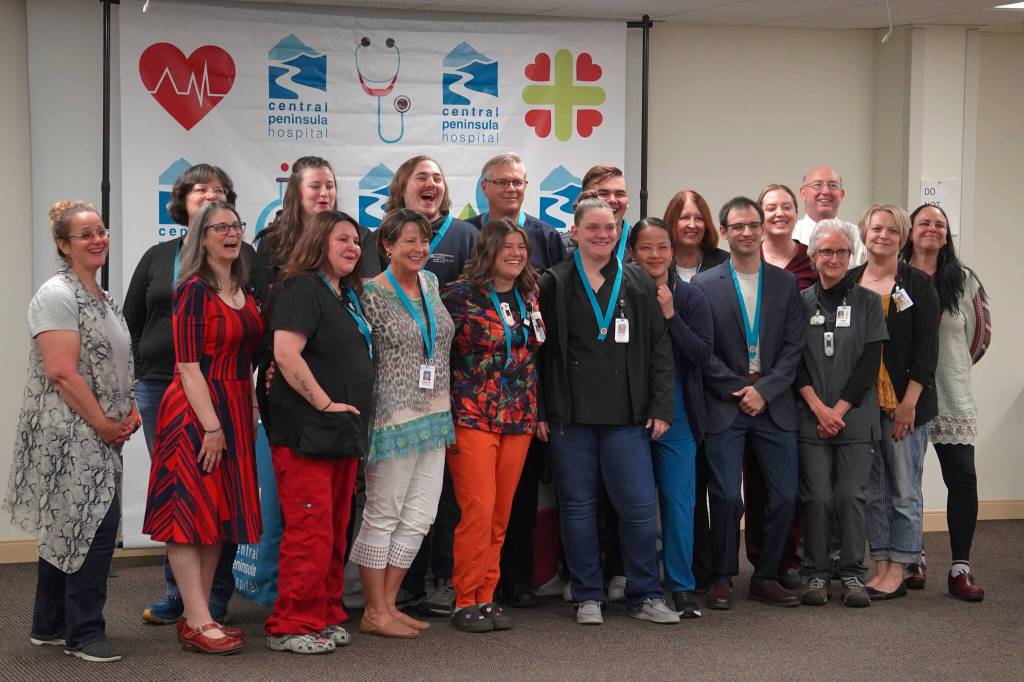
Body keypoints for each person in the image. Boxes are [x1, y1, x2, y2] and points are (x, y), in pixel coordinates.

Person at [125, 163, 268, 626]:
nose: (231, 233)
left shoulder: (243, 285)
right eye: (219, 228)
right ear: (200, 238)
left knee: (217, 515)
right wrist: (211, 427)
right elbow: (185, 364)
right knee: (189, 512)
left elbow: (250, 353)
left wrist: (248, 408)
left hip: (234, 405)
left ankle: (201, 613)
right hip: (195, 409)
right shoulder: (190, 288)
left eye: (235, 226)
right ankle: (197, 615)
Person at [4, 201, 138, 663]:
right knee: (95, 527)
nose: (98, 239)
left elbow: (117, 362)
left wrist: (129, 408)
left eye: (101, 230)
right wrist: (103, 423)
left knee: (70, 525)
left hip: (98, 429)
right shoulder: (56, 296)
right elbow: (61, 371)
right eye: (85, 235)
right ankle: (84, 632)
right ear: (64, 245)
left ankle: (50, 624)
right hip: (69, 432)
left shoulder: (101, 297)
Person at [538, 192, 678, 626]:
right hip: (570, 418)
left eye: (610, 228)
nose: (602, 235)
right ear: (575, 232)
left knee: (639, 509)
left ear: (619, 233)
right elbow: (538, 353)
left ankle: (645, 594)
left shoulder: (638, 281)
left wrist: (661, 406)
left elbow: (659, 347)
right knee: (578, 508)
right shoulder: (553, 282)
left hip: (627, 416)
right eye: (593, 228)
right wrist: (540, 410)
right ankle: (587, 595)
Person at [262, 211, 376, 654]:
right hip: (308, 431)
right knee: (309, 531)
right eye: (342, 239)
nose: (353, 247)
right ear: (318, 242)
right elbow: (286, 355)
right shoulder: (301, 287)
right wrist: (325, 403)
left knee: (333, 529)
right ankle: (290, 624)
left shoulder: (345, 293)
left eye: (356, 241)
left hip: (342, 432)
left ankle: (323, 614)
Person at [692, 196, 804, 610]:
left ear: (762, 229)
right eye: (737, 226)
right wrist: (740, 389)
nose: (747, 232)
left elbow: (794, 348)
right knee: (725, 497)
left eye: (753, 225)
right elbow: (703, 351)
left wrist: (765, 390)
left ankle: (766, 576)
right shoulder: (705, 286)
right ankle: (721, 577)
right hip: (727, 403)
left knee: (785, 495)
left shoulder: (785, 283)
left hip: (773, 404)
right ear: (724, 232)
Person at [350, 208, 456, 638]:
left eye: (424, 240)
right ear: (387, 245)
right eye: (409, 240)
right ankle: (373, 611)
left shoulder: (431, 283)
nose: (419, 248)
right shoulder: (369, 292)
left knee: (420, 516)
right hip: (391, 419)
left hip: (434, 417)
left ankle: (389, 605)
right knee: (383, 514)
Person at [467, 153, 566, 607]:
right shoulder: (464, 247)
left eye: (518, 182)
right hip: (473, 412)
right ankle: (469, 592)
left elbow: (547, 338)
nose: (511, 189)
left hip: (524, 409)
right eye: (502, 181)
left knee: (515, 503)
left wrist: (543, 405)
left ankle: (510, 584)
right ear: (484, 187)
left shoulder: (544, 247)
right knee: (476, 507)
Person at [442, 219, 544, 632]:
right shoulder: (458, 296)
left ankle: (486, 595)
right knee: (478, 510)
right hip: (472, 415)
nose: (516, 254)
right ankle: (464, 599)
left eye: (521, 247)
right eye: (507, 247)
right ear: (488, 250)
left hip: (519, 417)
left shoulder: (529, 295)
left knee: (501, 513)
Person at [386, 155, 478, 615]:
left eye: (438, 177)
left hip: (454, 380)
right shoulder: (382, 235)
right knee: (400, 489)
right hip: (400, 383)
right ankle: (404, 580)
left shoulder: (465, 235)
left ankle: (444, 577)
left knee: (444, 491)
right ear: (402, 186)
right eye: (421, 176)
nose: (431, 183)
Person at [794, 220, 887, 608]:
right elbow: (793, 361)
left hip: (855, 416)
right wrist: (819, 409)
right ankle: (815, 573)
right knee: (817, 497)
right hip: (810, 416)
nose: (833, 258)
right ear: (813, 257)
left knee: (850, 496)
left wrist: (838, 410)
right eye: (826, 251)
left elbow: (869, 364)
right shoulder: (799, 302)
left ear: (852, 256)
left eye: (841, 252)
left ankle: (851, 573)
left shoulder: (868, 302)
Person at [849, 204, 939, 601]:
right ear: (864, 234)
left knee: (903, 489)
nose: (882, 236)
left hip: (907, 404)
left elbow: (927, 349)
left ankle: (901, 566)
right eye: (876, 229)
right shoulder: (851, 281)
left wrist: (909, 403)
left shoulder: (917, 284)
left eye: (891, 230)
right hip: (863, 404)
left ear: (902, 238)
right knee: (873, 489)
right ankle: (881, 563)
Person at [627, 217, 713, 618]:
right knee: (637, 504)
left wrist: (671, 315)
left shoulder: (692, 297)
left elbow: (702, 355)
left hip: (678, 411)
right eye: (646, 247)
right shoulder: (621, 294)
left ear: (672, 251)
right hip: (630, 410)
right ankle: (641, 584)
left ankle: (681, 585)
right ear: (632, 252)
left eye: (662, 247)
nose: (655, 255)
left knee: (679, 502)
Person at [902, 203, 987, 601]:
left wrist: (951, 366)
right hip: (907, 395)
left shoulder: (964, 280)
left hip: (952, 392)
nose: (932, 229)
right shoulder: (895, 276)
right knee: (906, 480)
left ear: (947, 234)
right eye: (924, 222)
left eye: (940, 224)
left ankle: (960, 568)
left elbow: (979, 335)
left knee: (963, 478)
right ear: (910, 231)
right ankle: (912, 558)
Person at [742, 183, 818, 589]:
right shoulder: (743, 260)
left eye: (786, 206)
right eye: (770, 207)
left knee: (792, 483)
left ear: (796, 211)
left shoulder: (811, 260)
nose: (779, 213)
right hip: (747, 390)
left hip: (799, 387)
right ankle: (760, 558)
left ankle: (789, 558)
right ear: (759, 217)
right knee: (755, 483)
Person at [662, 188, 727, 593]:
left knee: (714, 488)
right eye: (683, 217)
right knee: (682, 490)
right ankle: (684, 569)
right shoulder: (652, 267)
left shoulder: (722, 265)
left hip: (716, 391)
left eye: (698, 217)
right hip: (673, 393)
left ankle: (711, 570)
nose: (691, 224)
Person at [256, 156, 381, 286]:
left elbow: (370, 291)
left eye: (330, 186)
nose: (324, 193)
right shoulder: (272, 241)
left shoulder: (361, 237)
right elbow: (267, 293)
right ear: (296, 192)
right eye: (315, 186)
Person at [793, 166, 866, 265]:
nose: (826, 192)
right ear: (803, 193)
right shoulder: (791, 235)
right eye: (817, 185)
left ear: (841, 194)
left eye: (833, 186)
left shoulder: (858, 236)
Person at [664, 189, 729, 283]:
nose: (692, 225)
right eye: (685, 218)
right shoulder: (658, 262)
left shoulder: (725, 263)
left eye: (699, 218)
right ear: (672, 222)